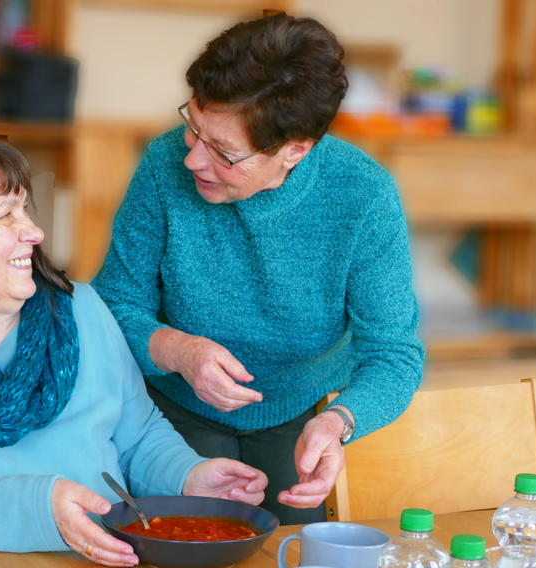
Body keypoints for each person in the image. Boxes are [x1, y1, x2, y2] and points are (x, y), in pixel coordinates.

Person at [0, 137, 267, 564]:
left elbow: (137, 436)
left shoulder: (81, 307)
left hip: (98, 558)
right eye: (5, 216)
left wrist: (186, 476)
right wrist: (42, 508)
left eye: (26, 210)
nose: (34, 232)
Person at [92, 13, 423, 526]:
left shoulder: (363, 195)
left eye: (223, 152)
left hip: (304, 412)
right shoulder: (162, 166)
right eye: (193, 129)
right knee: (178, 545)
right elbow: (112, 306)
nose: (193, 161)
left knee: (292, 550)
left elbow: (393, 353)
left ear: (295, 149)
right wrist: (178, 351)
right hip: (170, 410)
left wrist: (339, 421)